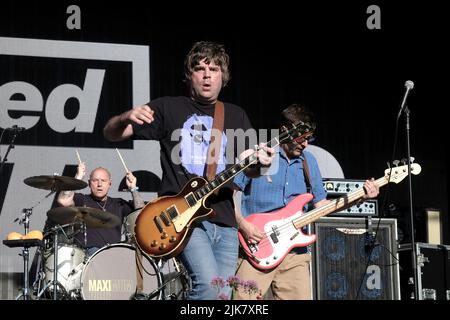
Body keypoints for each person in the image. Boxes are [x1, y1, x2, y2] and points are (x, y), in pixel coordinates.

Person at [103, 41, 274, 300]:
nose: (207, 75)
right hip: (184, 218)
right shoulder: (168, 108)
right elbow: (111, 134)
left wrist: (263, 162)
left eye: (214, 69)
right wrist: (126, 116)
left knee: (222, 294)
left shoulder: (236, 115)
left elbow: (251, 171)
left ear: (223, 77)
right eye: (200, 69)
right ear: (189, 75)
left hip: (225, 221)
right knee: (206, 287)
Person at [232, 103, 380, 300]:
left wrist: (360, 196)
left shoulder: (308, 161)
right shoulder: (259, 154)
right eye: (302, 138)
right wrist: (242, 224)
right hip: (256, 246)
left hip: (295, 254)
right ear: (285, 131)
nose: (306, 144)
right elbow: (230, 194)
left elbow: (321, 206)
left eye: (310, 138)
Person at [56, 162, 145, 256]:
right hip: (87, 256)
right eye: (95, 180)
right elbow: (63, 201)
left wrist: (133, 188)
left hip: (113, 255)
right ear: (89, 183)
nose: (99, 184)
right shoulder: (81, 200)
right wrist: (77, 178)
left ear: (110, 184)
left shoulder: (119, 203)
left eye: (103, 180)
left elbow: (142, 214)